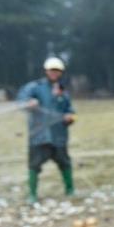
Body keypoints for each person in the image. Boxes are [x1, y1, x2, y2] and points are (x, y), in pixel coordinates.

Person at [17, 57, 76, 204]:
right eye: (52, 70)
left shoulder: (63, 92)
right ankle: (32, 195)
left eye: (57, 70)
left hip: (59, 135)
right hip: (39, 134)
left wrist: (70, 116)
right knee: (34, 165)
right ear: (46, 71)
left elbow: (70, 110)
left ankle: (70, 190)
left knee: (64, 163)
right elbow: (22, 100)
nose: (54, 73)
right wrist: (29, 103)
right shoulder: (34, 87)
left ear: (61, 72)